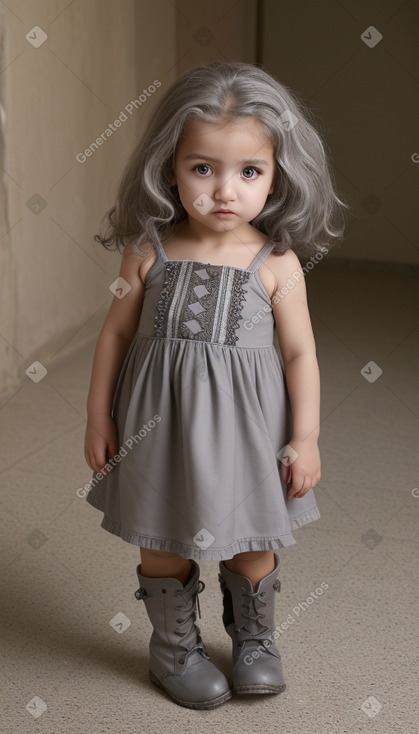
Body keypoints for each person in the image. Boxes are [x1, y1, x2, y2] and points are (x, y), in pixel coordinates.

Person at [84, 60, 349, 711]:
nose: (223, 191)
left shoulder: (277, 261)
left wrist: (305, 437)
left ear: (278, 174)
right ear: (167, 166)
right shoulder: (148, 250)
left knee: (252, 541)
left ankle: (253, 636)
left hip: (250, 433)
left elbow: (299, 352)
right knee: (163, 540)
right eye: (202, 168)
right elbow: (116, 335)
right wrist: (98, 418)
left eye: (248, 172)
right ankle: (173, 646)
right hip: (156, 428)